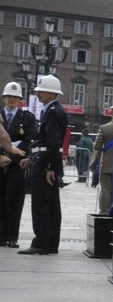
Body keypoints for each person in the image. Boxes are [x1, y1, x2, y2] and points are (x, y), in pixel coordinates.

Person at [21, 74, 68, 255]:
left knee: (41, 205)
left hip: (45, 164)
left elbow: (53, 143)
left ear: (51, 93)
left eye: (41, 91)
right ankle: (50, 243)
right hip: (43, 161)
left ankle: (41, 242)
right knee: (50, 205)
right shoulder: (53, 110)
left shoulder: (53, 112)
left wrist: (50, 167)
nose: (38, 93)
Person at [0, 82, 36, 248]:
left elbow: (29, 140)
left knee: (14, 200)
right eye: (9, 96)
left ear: (20, 99)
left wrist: (12, 156)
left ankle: (12, 236)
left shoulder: (27, 117)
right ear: (4, 97)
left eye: (15, 97)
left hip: (16, 165)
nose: (12, 99)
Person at [91, 118, 113, 214]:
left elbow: (97, 146)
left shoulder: (104, 128)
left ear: (112, 113)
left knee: (106, 190)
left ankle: (104, 211)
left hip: (107, 164)